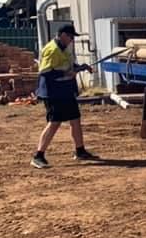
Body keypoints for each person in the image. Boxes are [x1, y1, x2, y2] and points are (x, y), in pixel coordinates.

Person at [31, 24, 98, 168]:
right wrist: (66, 74)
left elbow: (69, 66)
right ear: (62, 35)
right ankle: (38, 156)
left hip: (65, 90)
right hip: (53, 92)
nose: (72, 40)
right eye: (70, 36)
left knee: (75, 119)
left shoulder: (65, 48)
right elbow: (45, 72)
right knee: (54, 123)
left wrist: (81, 67)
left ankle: (80, 151)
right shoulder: (52, 49)